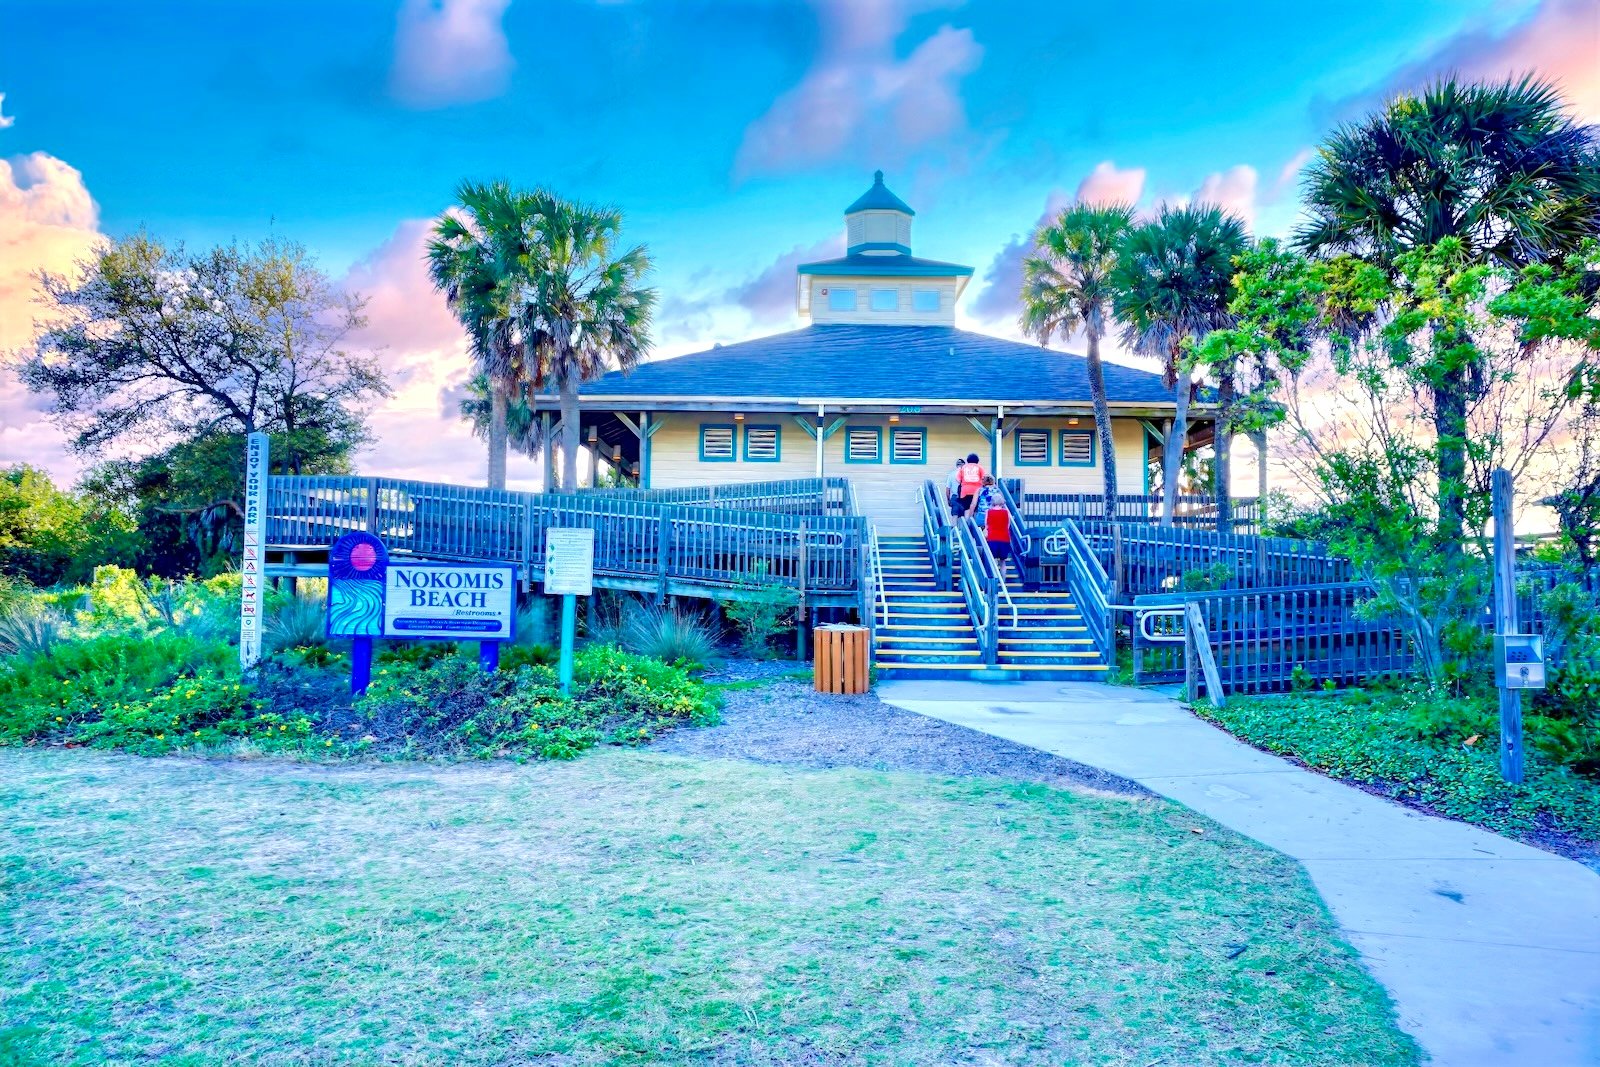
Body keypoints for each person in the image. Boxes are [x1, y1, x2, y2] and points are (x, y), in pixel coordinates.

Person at [956, 452, 986, 516]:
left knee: (967, 508)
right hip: (977, 491)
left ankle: (967, 523)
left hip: (965, 491)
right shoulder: (980, 467)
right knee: (976, 508)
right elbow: (984, 478)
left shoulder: (963, 467)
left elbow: (958, 479)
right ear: (977, 460)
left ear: (968, 460)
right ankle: (974, 524)